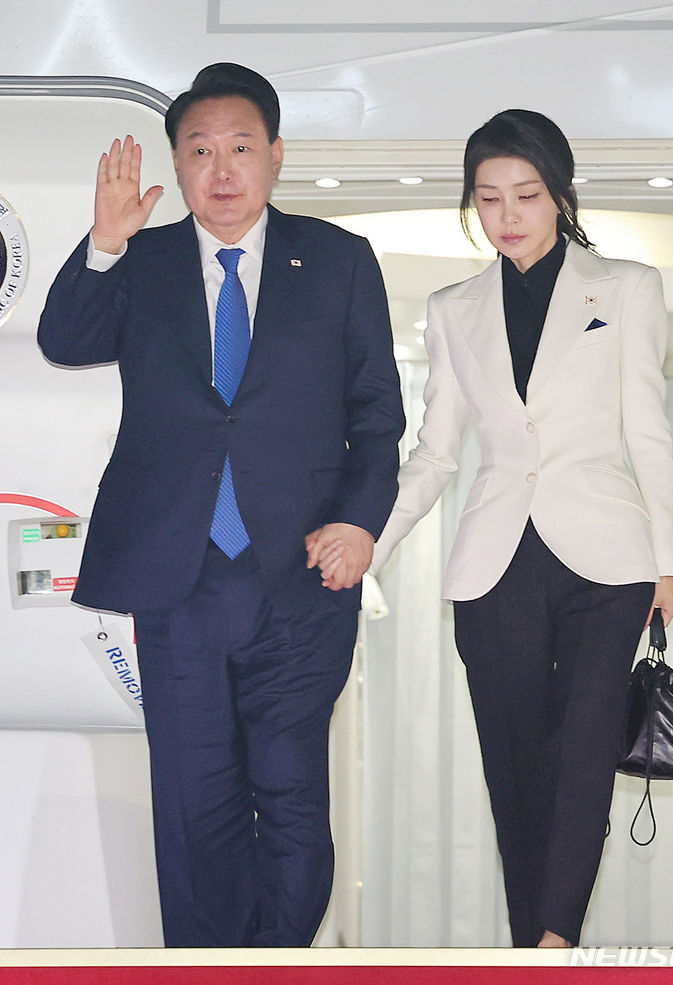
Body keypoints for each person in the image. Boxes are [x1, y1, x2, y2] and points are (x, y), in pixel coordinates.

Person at [37, 62, 404, 948]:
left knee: (290, 796)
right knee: (193, 805)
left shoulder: (339, 261)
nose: (222, 169)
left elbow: (377, 417)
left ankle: (274, 961)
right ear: (177, 164)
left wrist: (360, 521)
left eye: (240, 147)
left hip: (301, 578)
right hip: (181, 580)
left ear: (276, 154)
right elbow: (64, 339)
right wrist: (105, 242)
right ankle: (205, 966)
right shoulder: (145, 260)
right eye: (200, 151)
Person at [368, 109, 673, 947]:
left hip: (609, 559)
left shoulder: (627, 287)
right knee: (513, 765)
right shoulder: (453, 308)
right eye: (489, 198)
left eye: (527, 194)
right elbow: (436, 452)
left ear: (561, 195)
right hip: (495, 562)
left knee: (584, 750)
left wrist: (668, 560)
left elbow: (648, 430)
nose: (507, 215)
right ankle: (529, 946)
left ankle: (555, 941)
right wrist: (373, 544)